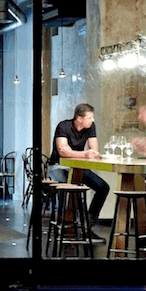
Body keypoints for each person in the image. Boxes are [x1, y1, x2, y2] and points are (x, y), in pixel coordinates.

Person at [48, 103, 110, 243]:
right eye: (90, 117)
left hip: (78, 168)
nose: (93, 120)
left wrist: (91, 154)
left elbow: (93, 150)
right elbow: (63, 151)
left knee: (103, 187)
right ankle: (67, 228)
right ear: (79, 118)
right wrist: (85, 154)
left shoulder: (90, 127)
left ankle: (87, 227)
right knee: (74, 190)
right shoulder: (63, 126)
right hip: (58, 166)